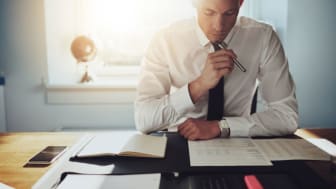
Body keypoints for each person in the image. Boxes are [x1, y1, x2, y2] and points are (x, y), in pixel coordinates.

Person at [134, 0, 298, 140]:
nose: (218, 26)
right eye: (209, 12)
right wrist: (198, 86)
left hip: (236, 142)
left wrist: (219, 127)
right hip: (180, 141)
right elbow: (144, 120)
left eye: (229, 13)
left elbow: (287, 117)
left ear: (240, 3)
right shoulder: (165, 40)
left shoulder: (263, 37)